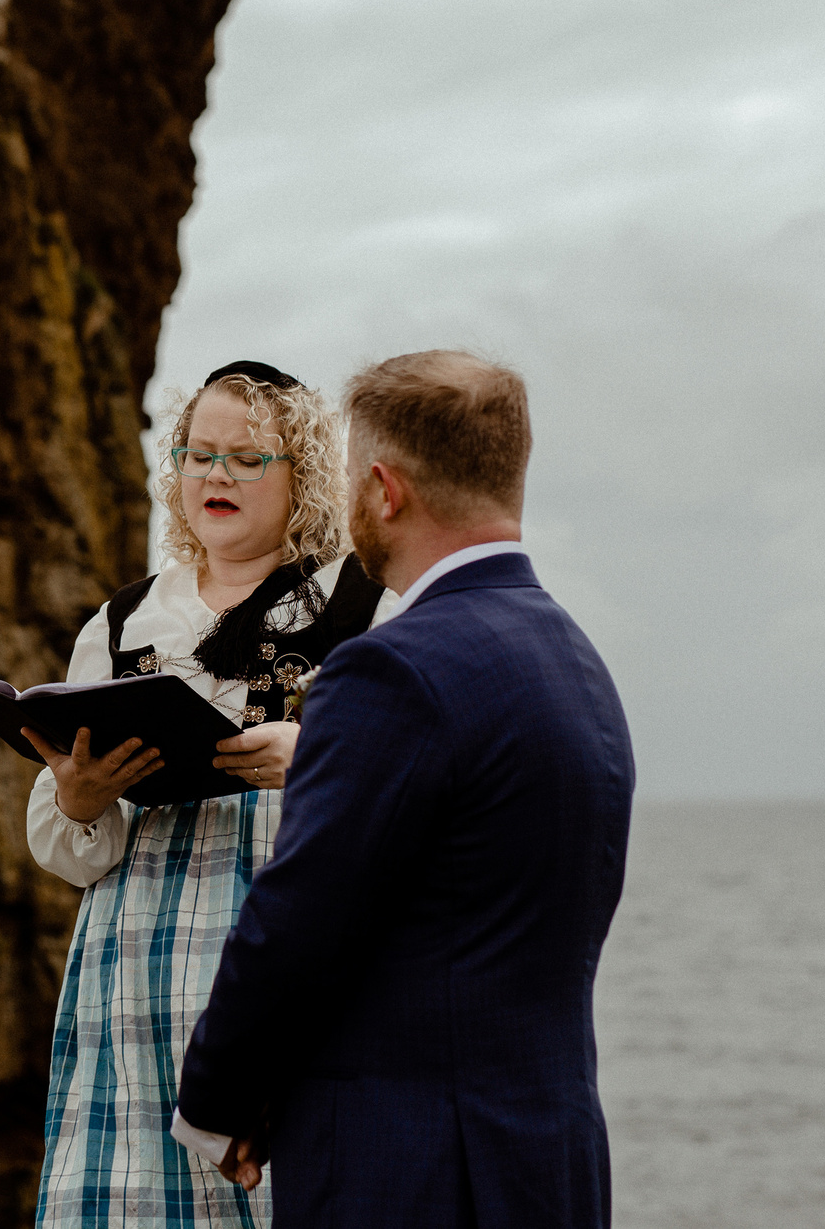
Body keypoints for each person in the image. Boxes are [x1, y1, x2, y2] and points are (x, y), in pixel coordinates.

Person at [174, 351, 636, 1227]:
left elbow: (299, 921)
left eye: (351, 477)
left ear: (384, 490)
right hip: (552, 1164)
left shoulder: (391, 673)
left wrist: (214, 1101)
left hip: (411, 1171)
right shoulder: (577, 665)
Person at [26, 361, 391, 1227]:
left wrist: (316, 753)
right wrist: (78, 799)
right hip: (132, 970)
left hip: (283, 947)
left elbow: (417, 777)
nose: (214, 474)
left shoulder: (364, 604)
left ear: (300, 473)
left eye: (245, 458)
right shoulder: (122, 624)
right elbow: (71, 841)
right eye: (197, 454)